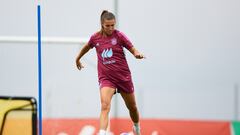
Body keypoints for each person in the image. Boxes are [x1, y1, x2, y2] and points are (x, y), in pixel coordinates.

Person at [76, 10, 145, 135]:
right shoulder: (95, 38)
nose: (110, 28)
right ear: (102, 24)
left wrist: (136, 54)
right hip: (106, 78)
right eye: (108, 25)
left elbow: (132, 48)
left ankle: (136, 127)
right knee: (105, 105)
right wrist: (78, 58)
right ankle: (102, 133)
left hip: (123, 76)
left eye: (113, 25)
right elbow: (87, 46)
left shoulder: (119, 36)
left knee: (132, 107)